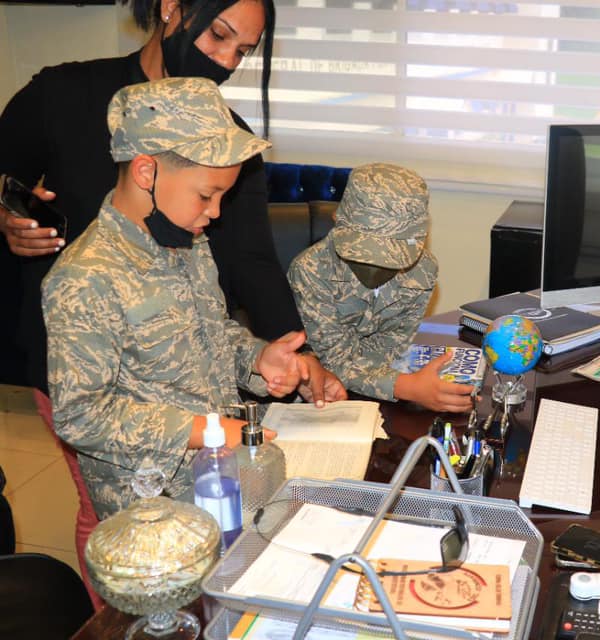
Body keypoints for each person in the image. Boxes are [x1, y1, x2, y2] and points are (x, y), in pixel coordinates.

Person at [0, 0, 343, 405]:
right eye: (218, 34)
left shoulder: (230, 141)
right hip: (80, 361)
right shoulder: (63, 94)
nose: (226, 61)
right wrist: (6, 216)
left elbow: (252, 260)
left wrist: (298, 354)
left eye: (242, 51)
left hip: (182, 367)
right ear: (170, 7)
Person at [44, 77, 310, 519]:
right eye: (206, 195)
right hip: (155, 508)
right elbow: (81, 416)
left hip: (219, 475)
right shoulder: (85, 278)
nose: (216, 212)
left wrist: (258, 359)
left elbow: (211, 330)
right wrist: (202, 430)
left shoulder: (184, 238)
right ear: (147, 172)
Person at [288, 163, 475, 413]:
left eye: (389, 256)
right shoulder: (310, 270)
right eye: (366, 252)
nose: (376, 265)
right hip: (316, 396)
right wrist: (408, 387)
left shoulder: (422, 271)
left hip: (380, 393)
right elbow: (333, 361)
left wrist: (417, 384)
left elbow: (393, 345)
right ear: (338, 220)